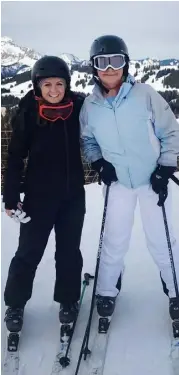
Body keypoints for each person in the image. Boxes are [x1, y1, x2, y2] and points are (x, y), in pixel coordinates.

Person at [80, 35, 179, 323]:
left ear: (126, 64)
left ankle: (175, 290)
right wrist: (99, 163)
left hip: (153, 181)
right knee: (113, 239)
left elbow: (170, 132)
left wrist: (165, 168)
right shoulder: (90, 106)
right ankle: (107, 290)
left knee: (161, 239)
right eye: (102, 62)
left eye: (116, 61)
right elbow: (88, 140)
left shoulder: (146, 95)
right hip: (118, 183)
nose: (109, 69)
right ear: (93, 68)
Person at [3, 56, 86, 333]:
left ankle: (68, 300)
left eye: (59, 84)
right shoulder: (28, 111)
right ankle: (15, 304)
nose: (54, 90)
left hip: (73, 195)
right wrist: (11, 194)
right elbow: (15, 156)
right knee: (29, 252)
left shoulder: (78, 108)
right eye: (47, 84)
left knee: (68, 252)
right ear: (37, 86)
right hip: (38, 197)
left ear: (67, 84)